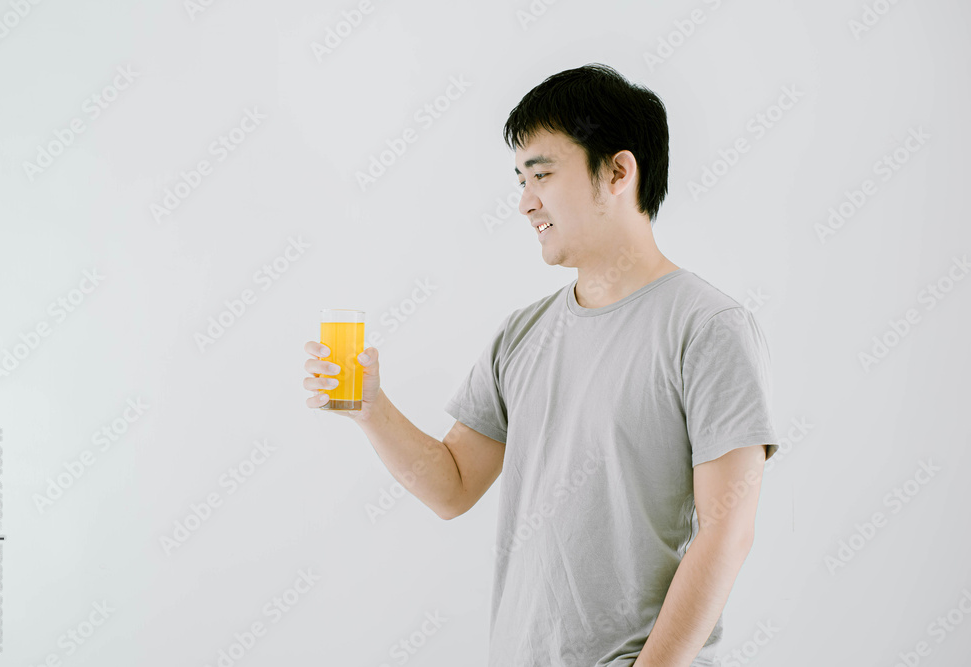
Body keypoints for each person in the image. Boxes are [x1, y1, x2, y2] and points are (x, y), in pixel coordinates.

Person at [303, 63, 781, 667]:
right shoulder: (521, 334)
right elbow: (451, 487)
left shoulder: (707, 328)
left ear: (617, 172)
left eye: (543, 175)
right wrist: (370, 409)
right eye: (520, 181)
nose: (526, 203)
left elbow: (726, 532)